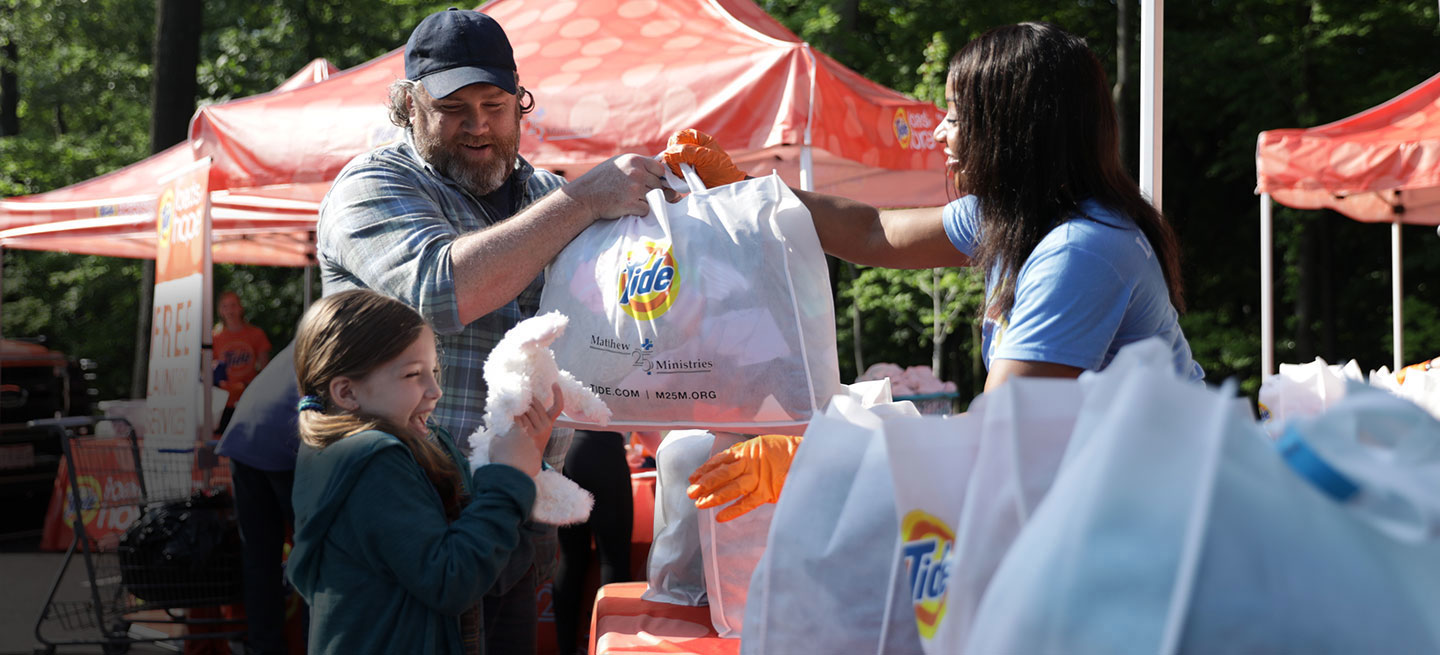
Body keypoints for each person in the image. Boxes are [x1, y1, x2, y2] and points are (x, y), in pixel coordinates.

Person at [665, 22, 1203, 519]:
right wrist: (747, 195)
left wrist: (823, 453)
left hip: (1160, 512)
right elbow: (872, 232)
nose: (941, 135)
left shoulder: (1078, 250)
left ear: (1014, 128)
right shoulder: (1011, 216)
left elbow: (998, 434)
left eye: (954, 116)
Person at [315, 8, 667, 653]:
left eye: (495, 104)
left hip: (516, 508)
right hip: (406, 504)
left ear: (520, 105)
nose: (478, 126)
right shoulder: (372, 184)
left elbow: (621, 318)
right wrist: (584, 200)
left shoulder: (545, 192)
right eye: (453, 107)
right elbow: (439, 293)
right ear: (408, 108)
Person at [286, 288, 562, 655]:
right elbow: (452, 580)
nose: (434, 391)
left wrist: (523, 468)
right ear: (347, 393)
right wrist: (510, 476)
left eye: (434, 371)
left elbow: (492, 568)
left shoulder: (424, 445)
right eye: (413, 374)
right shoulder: (372, 460)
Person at [215, 340, 305, 654]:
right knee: (313, 554)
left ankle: (266, 647)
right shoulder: (358, 336)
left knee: (259, 558)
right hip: (281, 441)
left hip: (246, 435)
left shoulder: (314, 331)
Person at [551, 430, 632, 655]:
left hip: (567, 453)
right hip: (605, 452)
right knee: (613, 559)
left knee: (570, 559)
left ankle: (566, 649)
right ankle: (616, 648)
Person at [213, 290, 273, 435]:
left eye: (233, 305)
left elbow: (266, 369)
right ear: (220, 310)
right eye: (225, 306)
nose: (229, 310)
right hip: (223, 403)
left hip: (249, 399)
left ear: (241, 308)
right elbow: (209, 372)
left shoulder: (256, 334)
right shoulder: (214, 337)